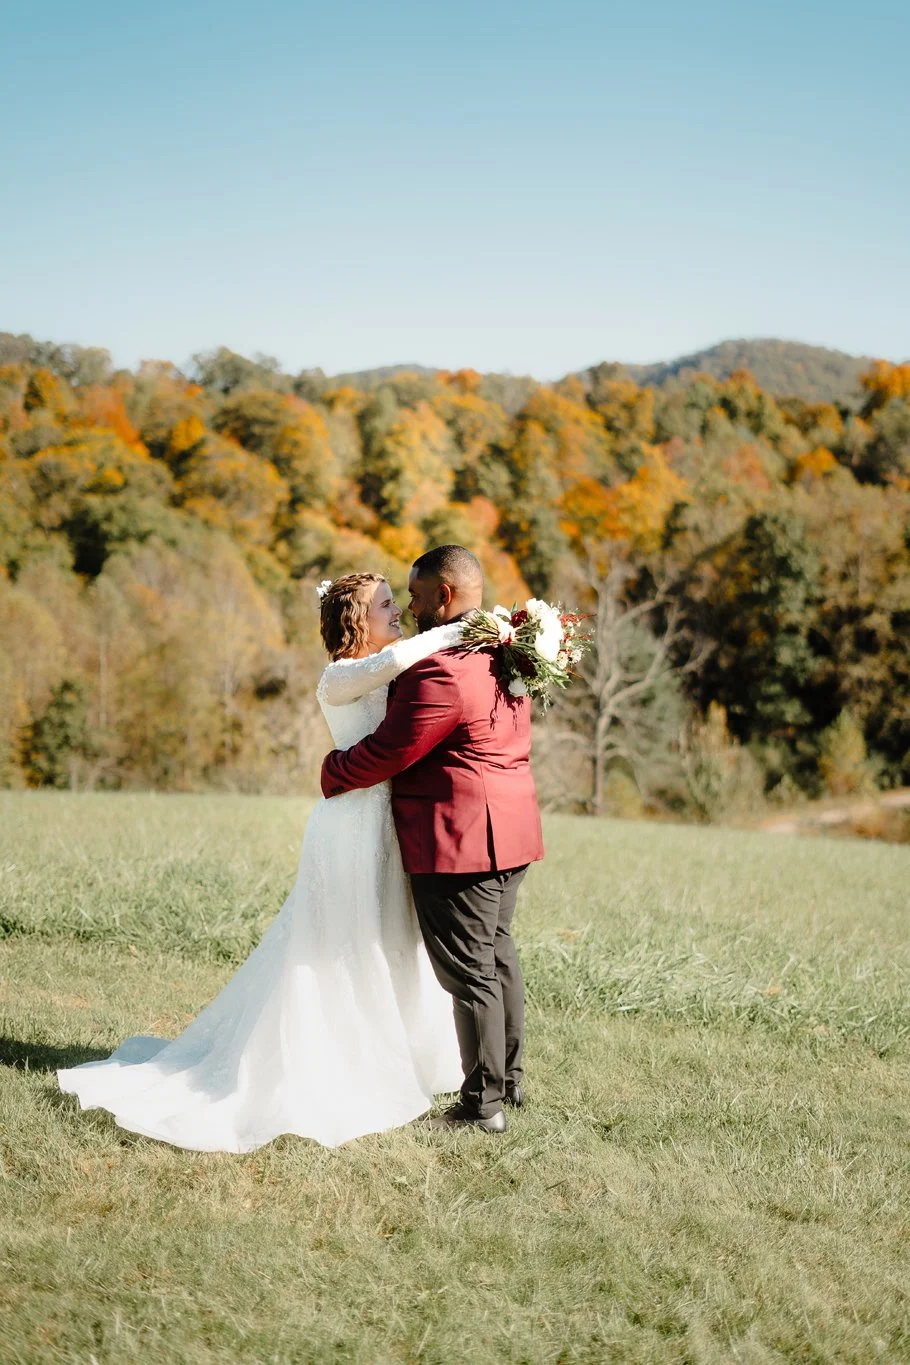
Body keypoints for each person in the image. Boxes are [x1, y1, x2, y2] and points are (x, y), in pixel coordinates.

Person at [56, 573, 464, 1151]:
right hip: (350, 826)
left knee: (389, 937)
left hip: (386, 823)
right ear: (357, 620)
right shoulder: (340, 676)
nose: (397, 610)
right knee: (342, 943)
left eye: (396, 602)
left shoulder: (385, 670)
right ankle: (338, 1063)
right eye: (386, 604)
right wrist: (467, 629)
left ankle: (406, 1056)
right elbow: (400, 657)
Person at [322, 545, 544, 1134]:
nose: (411, 608)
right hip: (512, 829)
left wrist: (332, 771)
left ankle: (482, 1106)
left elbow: (392, 750)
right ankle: (508, 1081)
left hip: (462, 838)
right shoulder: (504, 652)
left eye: (416, 597)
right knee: (495, 957)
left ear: (444, 596)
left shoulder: (442, 668)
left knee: (469, 973)